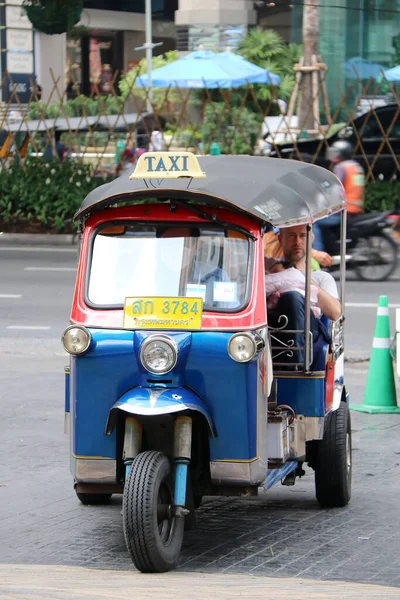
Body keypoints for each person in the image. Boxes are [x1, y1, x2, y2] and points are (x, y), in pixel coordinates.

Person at [266, 225, 341, 365]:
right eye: (291, 236)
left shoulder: (321, 277)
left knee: (292, 297)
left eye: (302, 236)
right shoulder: (269, 269)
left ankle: (297, 366)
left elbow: (336, 313)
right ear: (280, 239)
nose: (297, 242)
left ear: (311, 239)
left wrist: (301, 279)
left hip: (308, 337)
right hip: (270, 332)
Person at [313, 140, 365, 252]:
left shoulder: (341, 167)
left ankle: (319, 254)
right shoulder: (356, 167)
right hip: (355, 208)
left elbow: (334, 187)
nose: (333, 155)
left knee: (314, 222)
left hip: (343, 209)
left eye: (336, 152)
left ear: (342, 154)